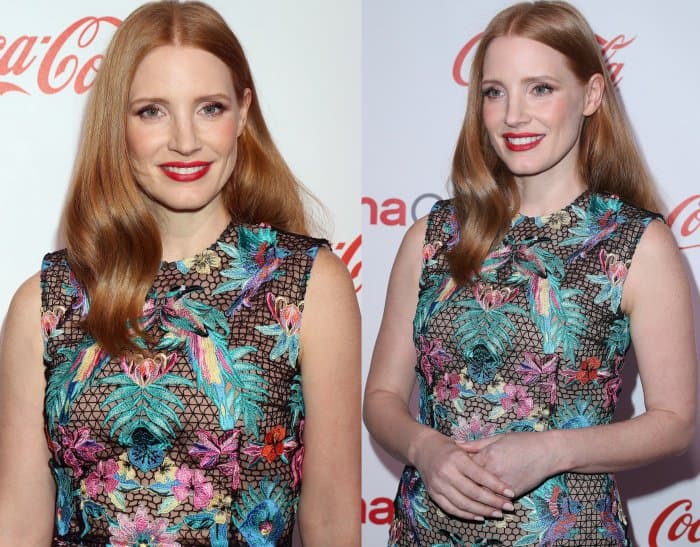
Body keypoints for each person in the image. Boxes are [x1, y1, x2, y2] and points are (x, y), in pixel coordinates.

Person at [0, 1, 360, 545]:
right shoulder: (45, 303)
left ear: (243, 113)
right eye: (152, 111)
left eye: (210, 108)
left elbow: (331, 518)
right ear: (117, 123)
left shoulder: (308, 285)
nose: (186, 141)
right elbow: (19, 520)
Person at [364, 1, 697, 545]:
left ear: (590, 95)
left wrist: (552, 451)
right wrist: (426, 449)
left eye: (540, 88)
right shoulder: (431, 237)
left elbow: (675, 422)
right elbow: (380, 397)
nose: (514, 115)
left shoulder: (637, 243)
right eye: (495, 92)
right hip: (428, 530)